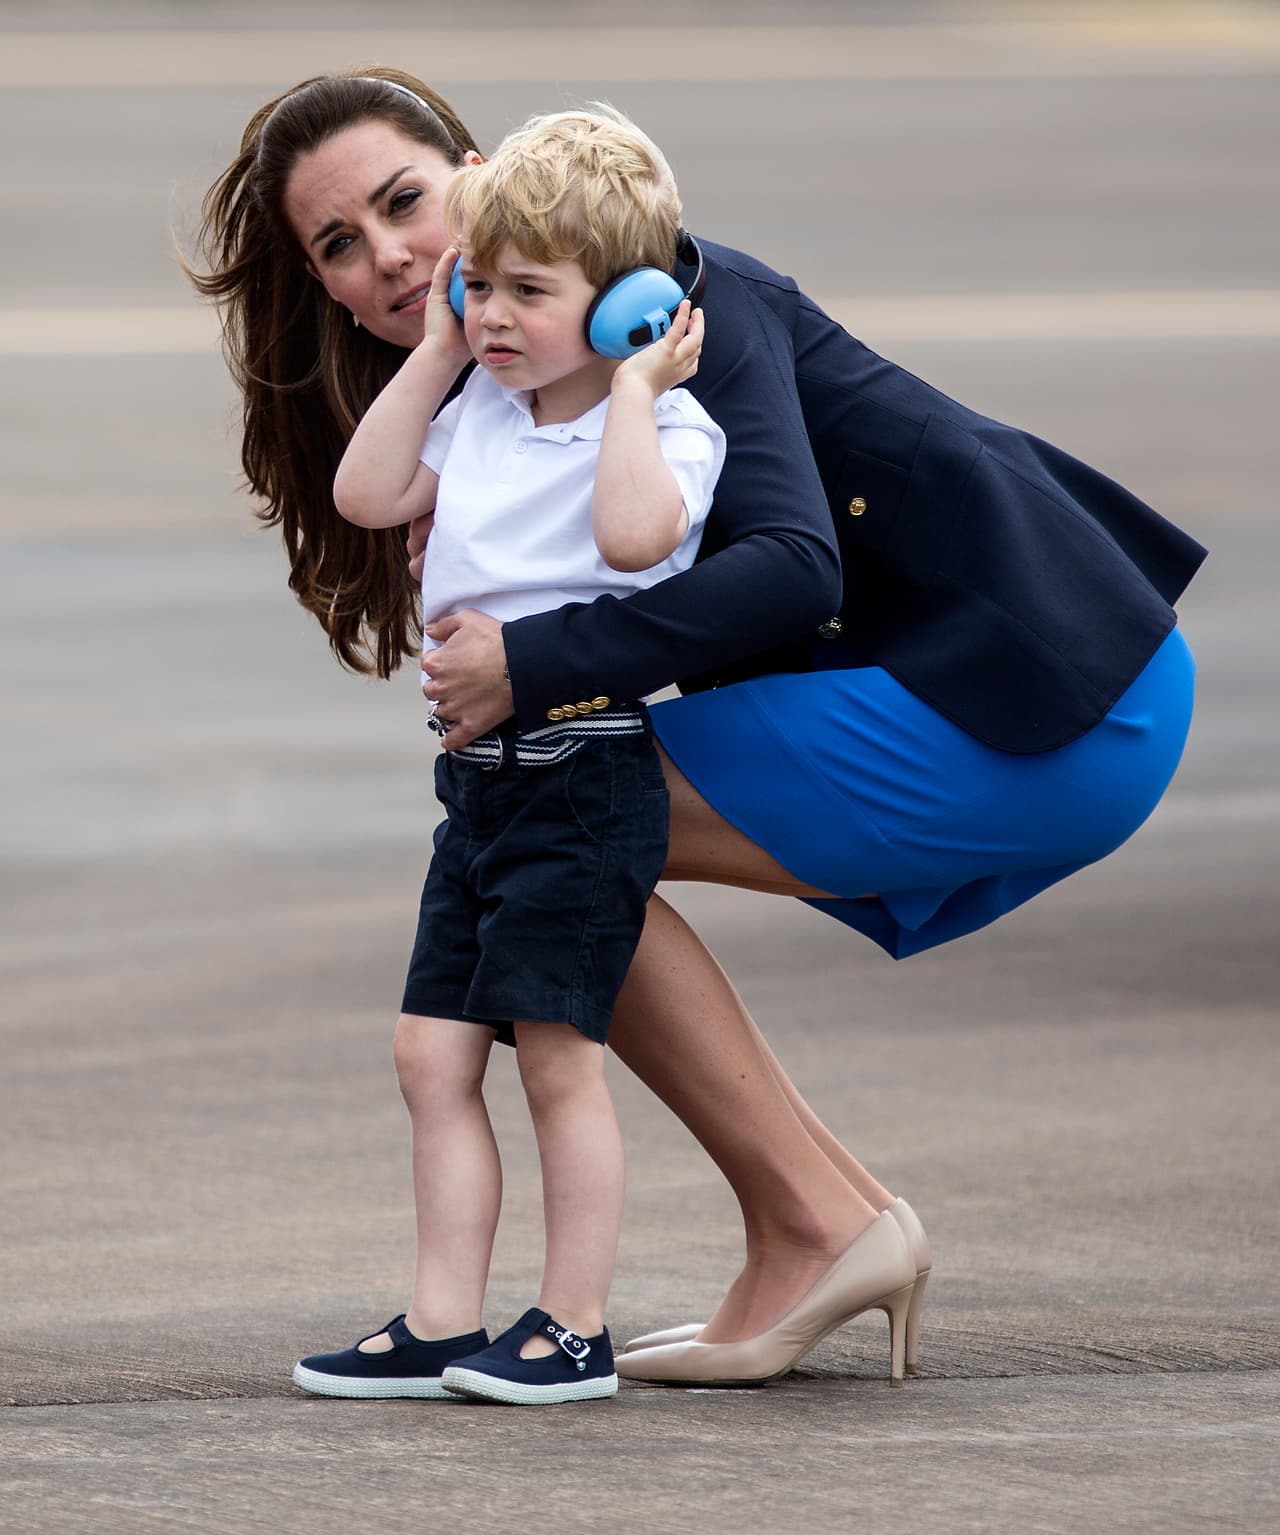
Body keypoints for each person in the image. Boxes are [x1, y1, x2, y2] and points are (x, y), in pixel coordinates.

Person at [187, 68, 1205, 1391]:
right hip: (1016, 688)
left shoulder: (674, 318)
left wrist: (538, 665)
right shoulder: (502, 381)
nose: (388, 257)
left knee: (564, 826)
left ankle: (816, 1221)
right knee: (553, 828)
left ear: (482, 175)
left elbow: (793, 568)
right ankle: (827, 1217)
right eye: (340, 244)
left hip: (1062, 696)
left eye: (404, 202)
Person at [316, 107, 725, 1405]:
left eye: (526, 292)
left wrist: (633, 389)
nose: (490, 313)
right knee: (429, 1054)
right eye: (477, 282)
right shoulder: (477, 407)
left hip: (582, 770)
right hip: (481, 786)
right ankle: (445, 1317)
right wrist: (442, 342)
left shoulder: (668, 430)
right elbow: (366, 494)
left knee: (555, 1052)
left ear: (625, 303)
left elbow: (626, 540)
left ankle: (573, 1322)